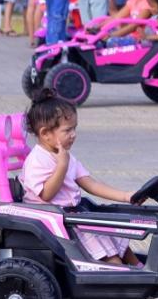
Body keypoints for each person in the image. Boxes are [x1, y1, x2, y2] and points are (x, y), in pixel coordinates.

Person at [19, 90, 141, 267]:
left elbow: (90, 184)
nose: (73, 134)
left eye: (74, 128)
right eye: (67, 130)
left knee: (114, 236)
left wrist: (126, 196)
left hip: (72, 215)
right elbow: (46, 194)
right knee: (109, 255)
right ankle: (120, 274)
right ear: (45, 133)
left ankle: (139, 268)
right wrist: (61, 166)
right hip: (56, 222)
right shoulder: (37, 160)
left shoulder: (65, 156)